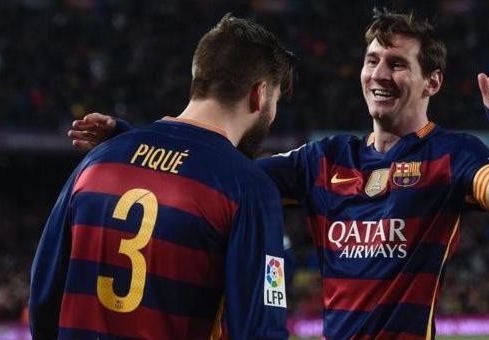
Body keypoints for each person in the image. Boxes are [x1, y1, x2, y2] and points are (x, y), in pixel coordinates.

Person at [69, 9, 489, 339]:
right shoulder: (324, 160)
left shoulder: (453, 155)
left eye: (397, 63)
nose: (379, 73)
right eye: (372, 60)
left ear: (431, 82)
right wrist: (133, 141)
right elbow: (224, 175)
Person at [30, 14, 295, 339]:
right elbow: (259, 331)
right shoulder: (249, 188)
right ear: (259, 94)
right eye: (276, 101)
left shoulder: (97, 162)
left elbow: (43, 296)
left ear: (199, 78)